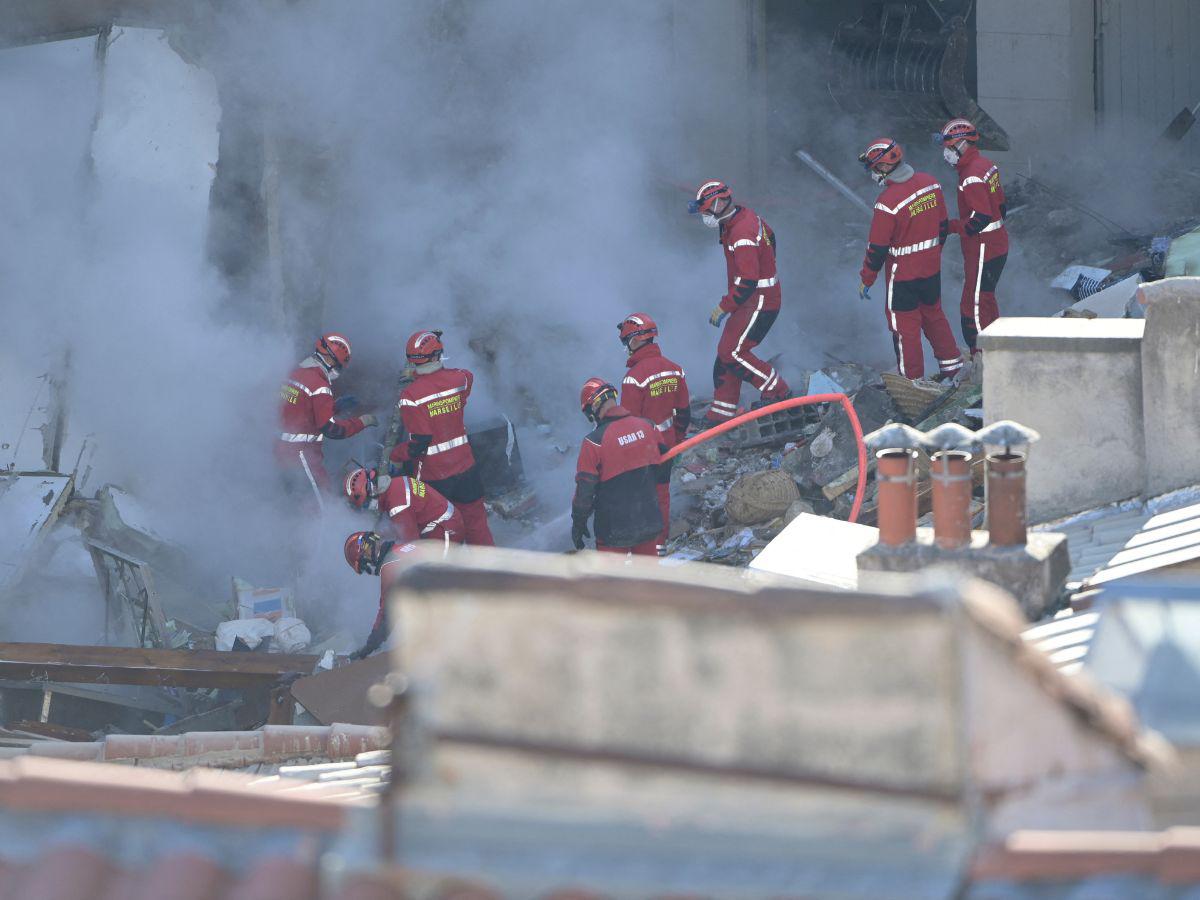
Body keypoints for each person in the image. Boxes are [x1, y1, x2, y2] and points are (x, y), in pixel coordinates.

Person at [857, 139, 964, 382]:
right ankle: (954, 369)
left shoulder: (887, 203)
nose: (873, 174)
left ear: (884, 167)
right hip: (931, 270)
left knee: (905, 330)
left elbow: (877, 248)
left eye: (874, 169)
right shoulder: (931, 184)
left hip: (902, 277)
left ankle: (913, 383)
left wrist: (867, 279)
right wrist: (932, 254)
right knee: (934, 315)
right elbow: (942, 226)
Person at [688, 180, 790, 427]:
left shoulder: (741, 232)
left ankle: (778, 392)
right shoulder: (740, 218)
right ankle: (722, 413)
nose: (704, 217)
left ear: (718, 203)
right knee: (725, 353)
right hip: (753, 299)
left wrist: (725, 306)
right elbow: (771, 237)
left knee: (732, 352)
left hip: (760, 300)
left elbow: (747, 280)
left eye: (705, 211)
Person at [388, 330, 495, 546]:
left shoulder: (410, 396)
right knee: (476, 524)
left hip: (434, 476)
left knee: (441, 530)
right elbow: (467, 377)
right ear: (438, 355)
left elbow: (419, 443)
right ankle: (491, 572)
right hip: (466, 468)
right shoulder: (459, 380)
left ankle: (448, 575)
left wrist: (395, 454)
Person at [617, 312, 690, 555]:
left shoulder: (633, 379)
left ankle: (640, 550)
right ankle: (659, 545)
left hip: (642, 453)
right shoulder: (675, 370)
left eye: (626, 341)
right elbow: (684, 413)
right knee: (662, 496)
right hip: (667, 447)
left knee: (639, 500)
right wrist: (677, 443)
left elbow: (628, 424)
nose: (626, 347)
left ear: (636, 340)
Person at [277, 333, 377, 510]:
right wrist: (362, 422)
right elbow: (331, 429)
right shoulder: (319, 385)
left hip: (281, 452)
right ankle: (322, 537)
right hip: (302, 457)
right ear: (332, 362)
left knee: (293, 506)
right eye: (339, 367)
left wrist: (334, 407)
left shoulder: (295, 373)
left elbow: (301, 409)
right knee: (322, 505)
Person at [571, 378, 667, 557]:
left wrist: (578, 524)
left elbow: (584, 492)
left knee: (612, 584)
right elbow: (664, 468)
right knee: (648, 580)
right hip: (649, 521)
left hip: (612, 531)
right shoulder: (648, 426)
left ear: (593, 409)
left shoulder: (593, 442)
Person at [940, 118, 1008, 361]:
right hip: (997, 244)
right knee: (987, 298)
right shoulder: (986, 164)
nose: (945, 153)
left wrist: (950, 227)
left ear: (963, 144)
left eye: (949, 147)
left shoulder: (971, 176)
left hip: (982, 247)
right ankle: (997, 348)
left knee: (973, 304)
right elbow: (1001, 204)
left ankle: (981, 355)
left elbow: (979, 218)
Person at [343, 466, 464, 548]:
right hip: (444, 524)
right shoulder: (395, 485)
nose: (369, 508)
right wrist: (376, 536)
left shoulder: (398, 506)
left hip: (447, 532)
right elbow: (399, 528)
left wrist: (384, 553)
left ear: (372, 490)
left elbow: (410, 545)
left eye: (366, 504)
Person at [342, 531, 418, 660]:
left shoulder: (389, 565)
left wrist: (369, 646)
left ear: (366, 553)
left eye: (365, 563)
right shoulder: (402, 548)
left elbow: (386, 613)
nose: (370, 566)